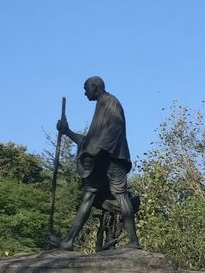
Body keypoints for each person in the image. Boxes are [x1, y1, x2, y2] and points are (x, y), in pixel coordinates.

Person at [51, 75, 139, 250]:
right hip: (101, 159)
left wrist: (96, 152)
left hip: (113, 157)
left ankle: (133, 242)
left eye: (86, 89)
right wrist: (67, 131)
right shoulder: (101, 105)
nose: (85, 93)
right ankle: (68, 241)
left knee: (120, 194)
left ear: (95, 87)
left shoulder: (110, 102)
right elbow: (89, 142)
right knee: (89, 195)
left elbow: (115, 128)